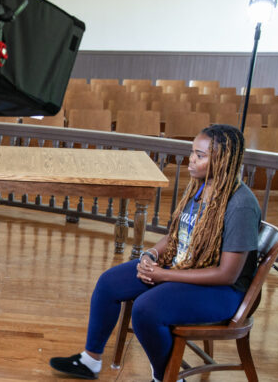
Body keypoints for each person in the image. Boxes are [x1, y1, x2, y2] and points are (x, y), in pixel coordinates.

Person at [49, 124, 260, 382]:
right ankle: (90, 361)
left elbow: (227, 274)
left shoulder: (241, 205)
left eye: (200, 155)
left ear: (223, 159)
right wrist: (150, 256)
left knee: (146, 309)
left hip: (224, 292)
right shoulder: (201, 187)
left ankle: (167, 377)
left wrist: (164, 276)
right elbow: (175, 236)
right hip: (185, 267)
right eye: (192, 152)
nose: (190, 160)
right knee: (109, 283)